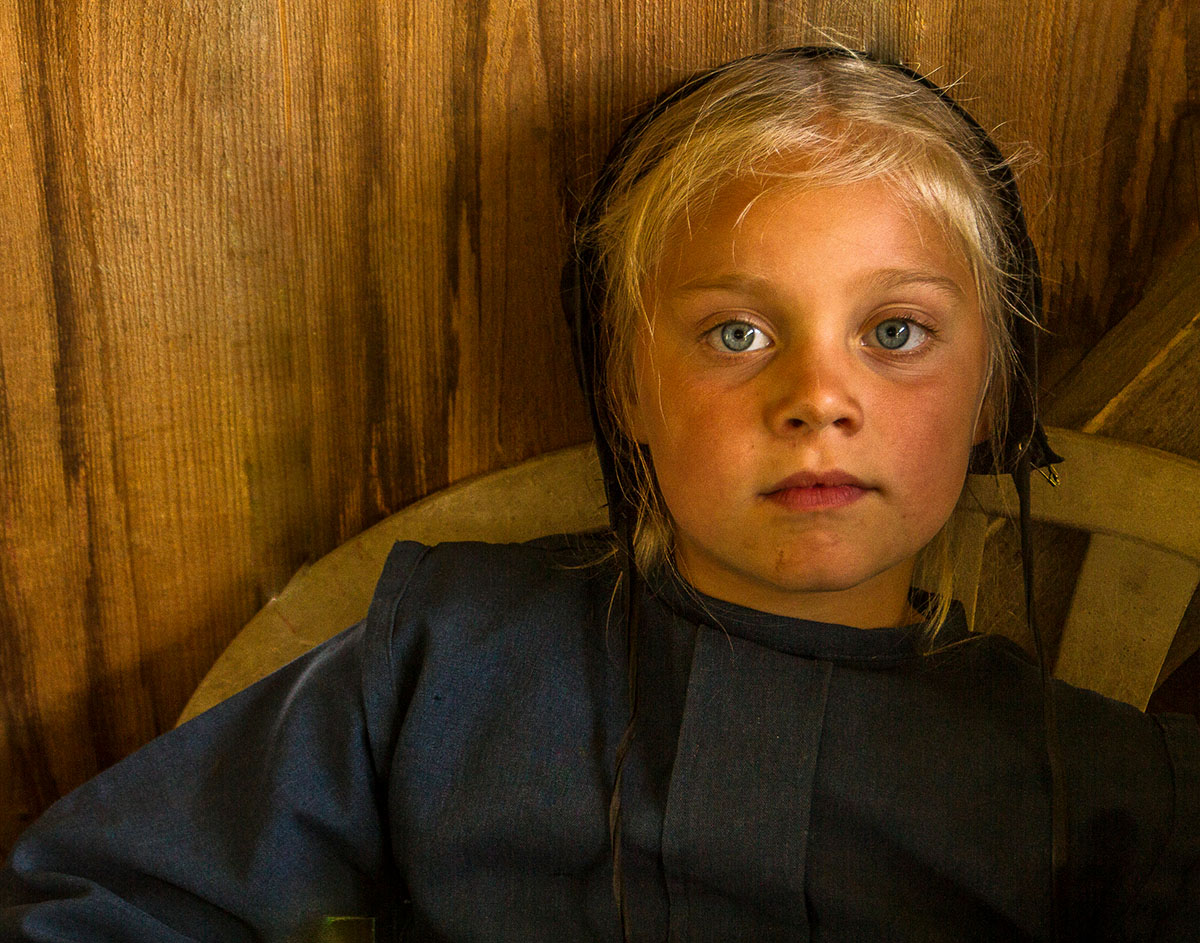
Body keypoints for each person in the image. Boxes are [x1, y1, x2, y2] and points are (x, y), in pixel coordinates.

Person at [2, 47, 1197, 942]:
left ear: (993, 390)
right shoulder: (440, 658)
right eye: (736, 332)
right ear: (627, 383)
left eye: (895, 331)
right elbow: (95, 898)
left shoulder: (1107, 788)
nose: (819, 398)